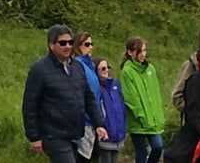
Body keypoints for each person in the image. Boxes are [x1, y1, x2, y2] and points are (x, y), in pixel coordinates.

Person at [24, 23, 109, 162]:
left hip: (76, 133)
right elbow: (30, 105)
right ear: (52, 45)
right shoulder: (39, 70)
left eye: (71, 42)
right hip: (54, 134)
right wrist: (34, 137)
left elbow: (89, 98)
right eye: (63, 43)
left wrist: (99, 123)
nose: (68, 46)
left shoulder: (77, 67)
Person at [119, 37, 167, 163]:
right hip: (138, 121)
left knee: (158, 147)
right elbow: (130, 97)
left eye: (144, 50)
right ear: (130, 52)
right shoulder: (127, 71)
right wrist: (140, 115)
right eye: (139, 51)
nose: (143, 54)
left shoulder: (150, 68)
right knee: (141, 152)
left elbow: (156, 93)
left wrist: (158, 113)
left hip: (153, 118)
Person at [94, 55, 128, 163]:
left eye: (108, 67)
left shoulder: (116, 84)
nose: (107, 70)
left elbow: (121, 105)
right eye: (103, 68)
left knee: (114, 159)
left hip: (118, 130)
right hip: (106, 132)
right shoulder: (96, 88)